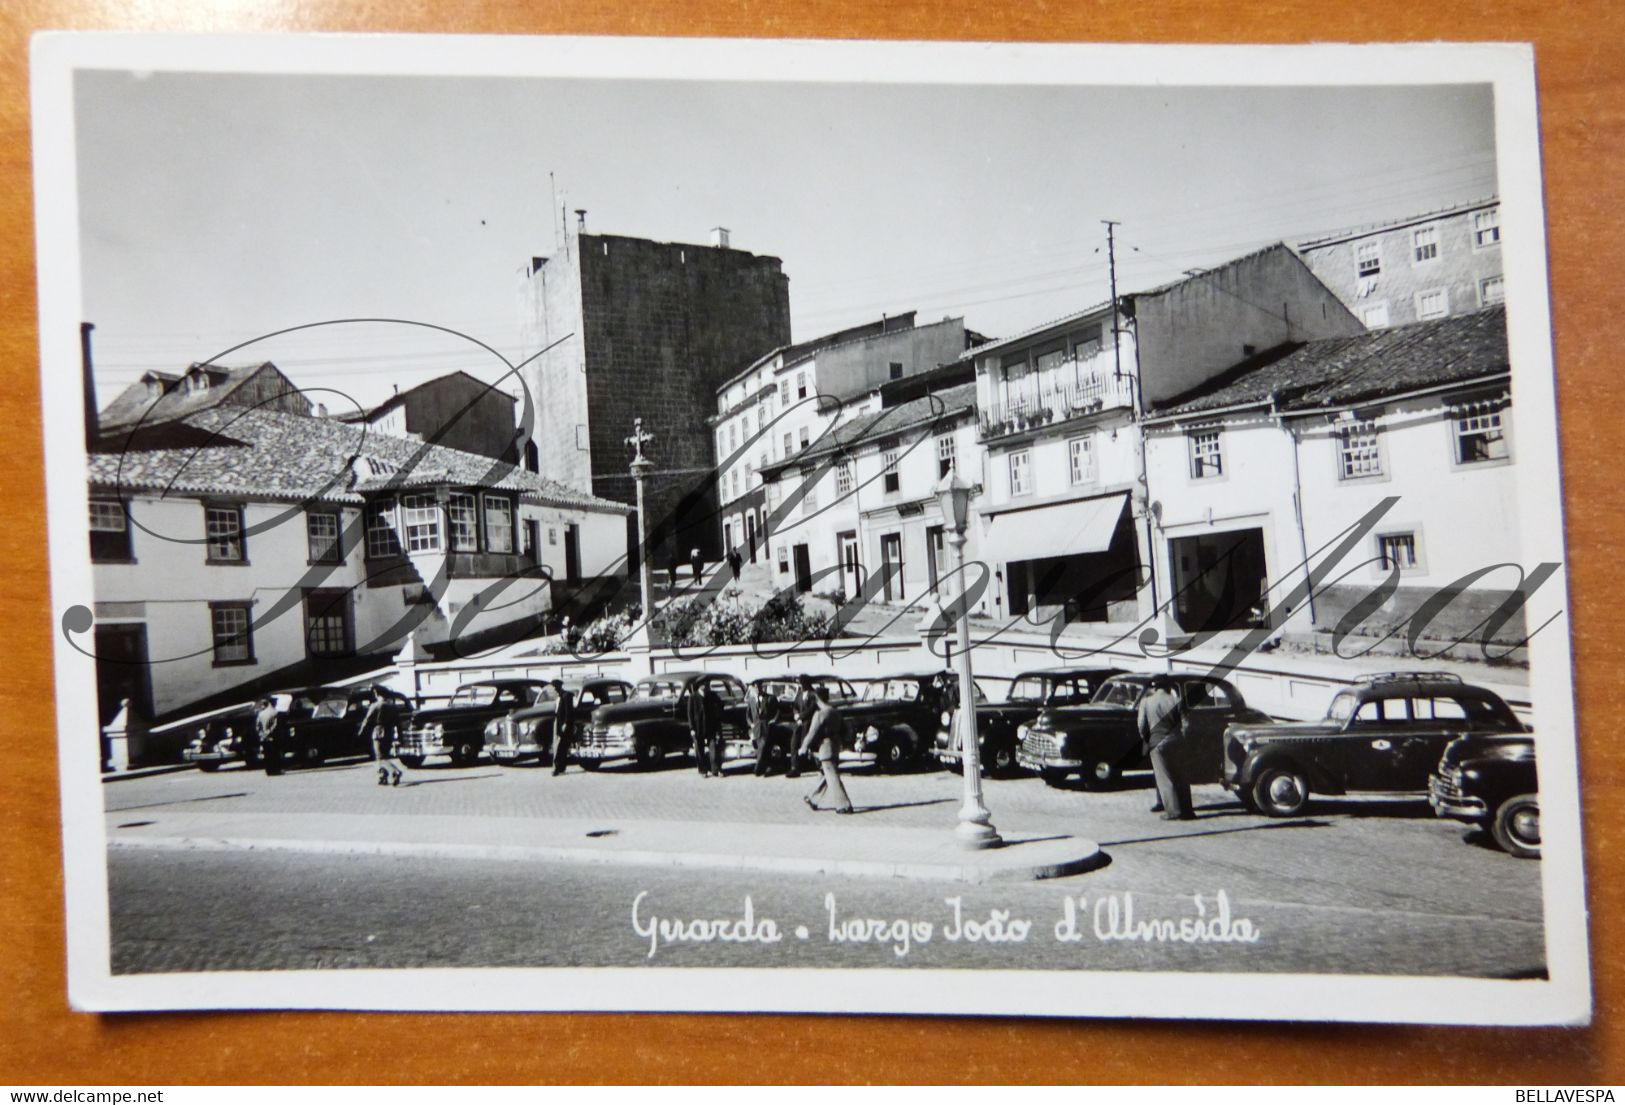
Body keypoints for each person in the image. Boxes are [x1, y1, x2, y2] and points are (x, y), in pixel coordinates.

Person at [1137, 676, 1193, 820]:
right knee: (1181, 776)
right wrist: (1183, 740)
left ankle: (1173, 811)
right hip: (1176, 740)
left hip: (1157, 742)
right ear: (1169, 687)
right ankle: (1187, 810)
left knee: (1164, 777)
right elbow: (1186, 724)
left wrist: (1147, 740)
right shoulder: (1176, 700)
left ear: (1155, 688)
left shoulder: (1146, 702)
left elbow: (1142, 725)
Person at [799, 679, 854, 814]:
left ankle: (844, 805)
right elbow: (846, 729)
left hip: (825, 747)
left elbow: (812, 733)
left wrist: (803, 747)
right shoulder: (835, 712)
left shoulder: (820, 714)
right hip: (835, 746)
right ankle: (813, 798)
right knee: (826, 774)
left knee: (832, 776)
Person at [360, 686, 405, 787]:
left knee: (380, 757)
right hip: (389, 733)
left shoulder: (376, 705)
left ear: (377, 694)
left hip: (378, 732)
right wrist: (400, 737)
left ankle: (395, 771)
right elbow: (398, 723)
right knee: (384, 755)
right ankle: (382, 777)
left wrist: (361, 732)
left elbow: (367, 720)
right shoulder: (392, 707)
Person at [749, 686, 783, 777]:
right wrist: (751, 723)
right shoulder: (751, 700)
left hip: (767, 726)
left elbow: (778, 710)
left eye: (758, 687)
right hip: (756, 728)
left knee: (763, 746)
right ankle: (767, 767)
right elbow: (748, 715)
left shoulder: (770, 698)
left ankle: (757, 767)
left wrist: (774, 719)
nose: (757, 690)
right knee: (764, 748)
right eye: (755, 688)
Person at [549, 679, 577, 777]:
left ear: (556, 687)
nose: (551, 690)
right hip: (558, 723)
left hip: (564, 724)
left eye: (552, 687)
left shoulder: (566, 696)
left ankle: (557, 768)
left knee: (561, 746)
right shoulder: (558, 697)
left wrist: (566, 723)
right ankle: (561, 767)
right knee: (561, 746)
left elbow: (569, 711)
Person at [687, 678, 713, 776]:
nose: (705, 686)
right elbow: (690, 714)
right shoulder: (693, 697)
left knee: (711, 748)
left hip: (707, 726)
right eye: (703, 684)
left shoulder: (708, 696)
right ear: (699, 686)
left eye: (706, 684)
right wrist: (692, 728)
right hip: (697, 727)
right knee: (699, 749)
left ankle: (711, 767)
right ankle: (702, 770)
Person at [256, 697, 284, 777]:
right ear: (273, 703)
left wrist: (262, 734)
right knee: (275, 754)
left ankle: (269, 770)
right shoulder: (275, 713)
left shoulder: (261, 713)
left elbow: (257, 726)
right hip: (273, 737)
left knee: (267, 755)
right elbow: (275, 725)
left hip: (264, 737)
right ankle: (276, 770)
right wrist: (269, 732)